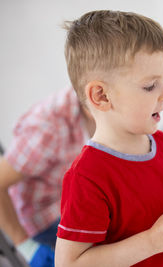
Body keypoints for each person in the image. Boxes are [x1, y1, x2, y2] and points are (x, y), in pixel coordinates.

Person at [54, 10, 163, 267]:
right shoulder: (87, 177)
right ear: (102, 96)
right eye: (150, 85)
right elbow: (69, 264)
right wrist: (152, 242)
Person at [0, 86, 95, 266]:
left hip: (66, 200)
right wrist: (26, 246)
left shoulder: (88, 110)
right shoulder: (49, 128)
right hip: (43, 220)